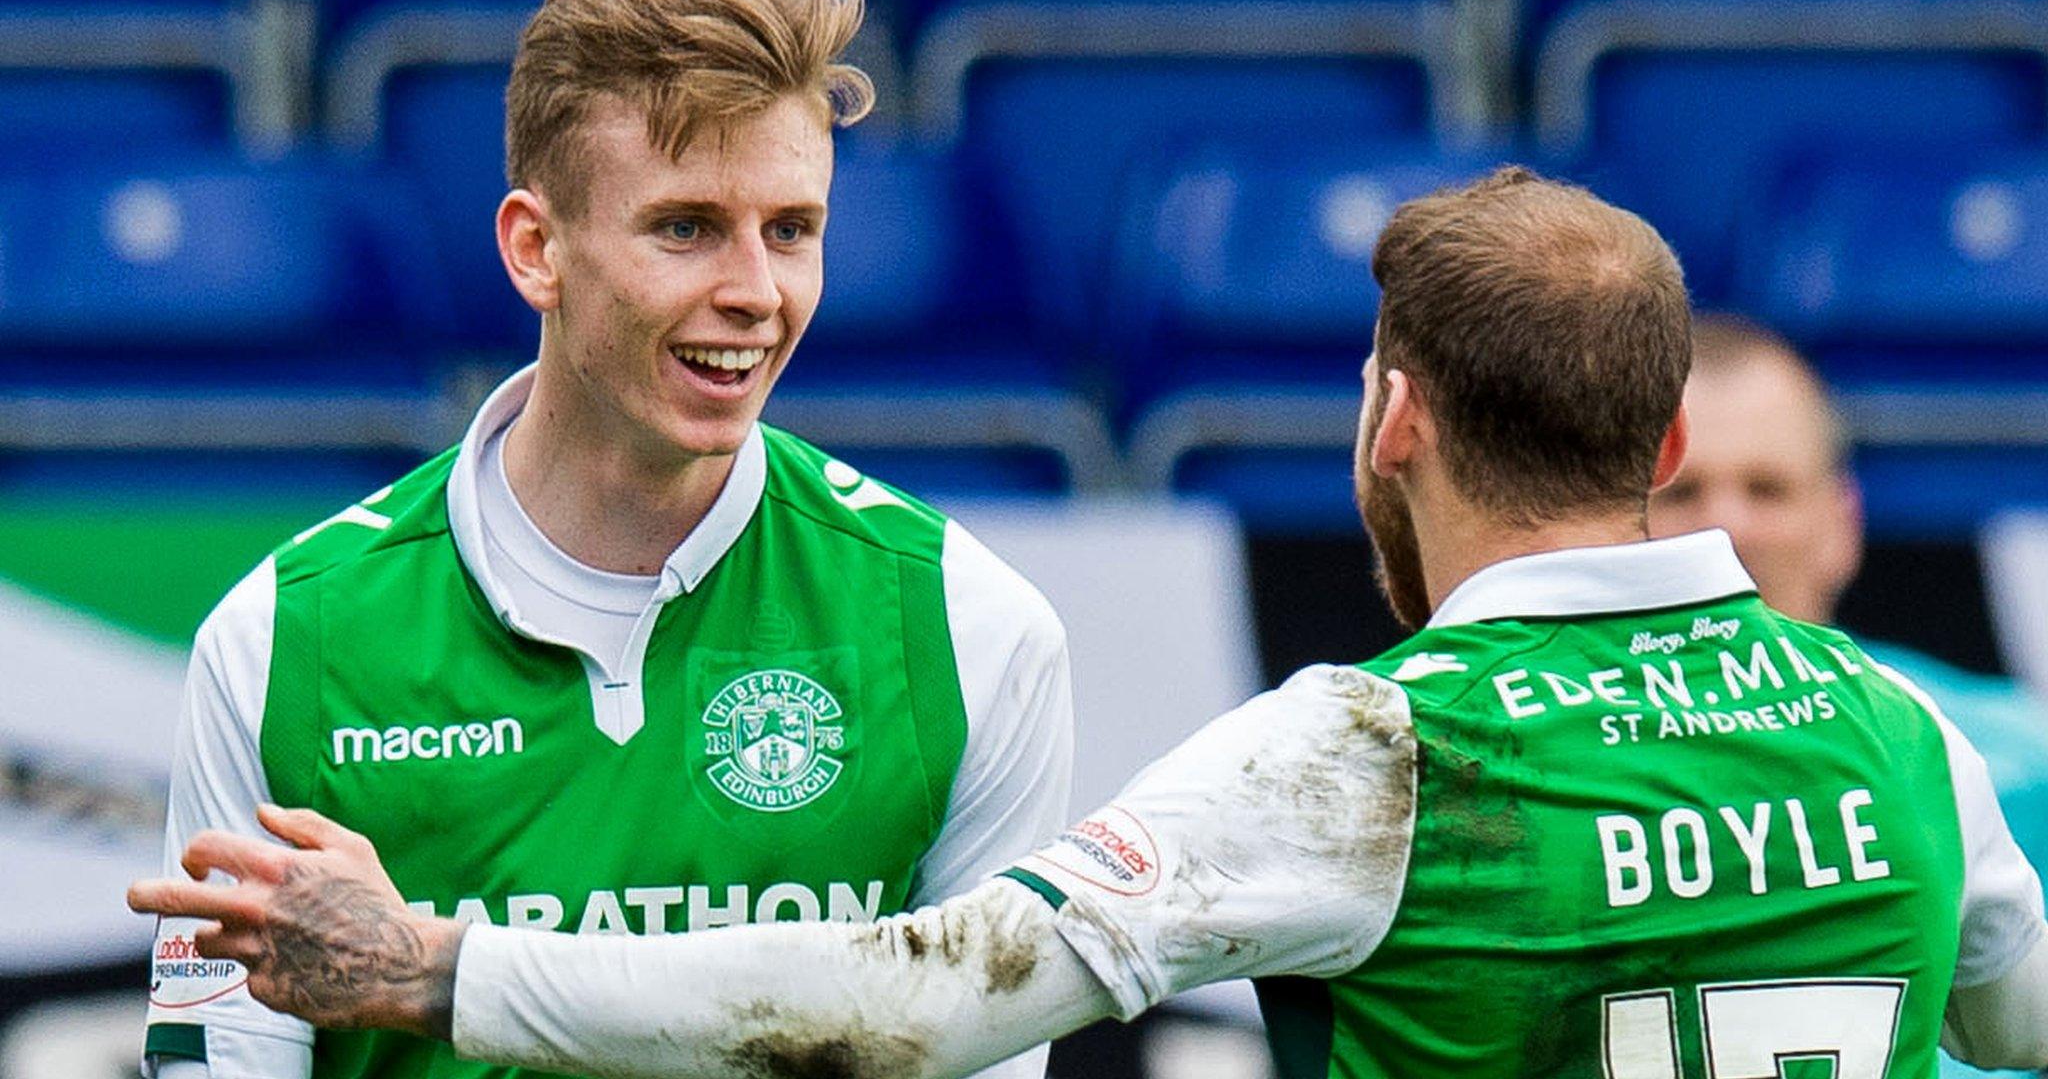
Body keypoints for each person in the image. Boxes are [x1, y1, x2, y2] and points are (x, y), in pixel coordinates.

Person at [132, 168, 2048, 1076]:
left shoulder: (1380, 750)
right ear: (1659, 440)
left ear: (1391, 418)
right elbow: (2013, 1014)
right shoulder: (1900, 736)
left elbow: (912, 997)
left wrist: (441, 970)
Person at [139, 0, 1073, 1079]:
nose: (753, 293)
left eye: (790, 229)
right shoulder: (284, 641)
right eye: (684, 227)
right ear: (537, 249)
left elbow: (973, 1053)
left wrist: (441, 973)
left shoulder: (968, 629)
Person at [1647, 313, 2048, 1079]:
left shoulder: (2021, 758)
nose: (1726, 525)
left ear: (1842, 524)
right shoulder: (1537, 753)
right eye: (1682, 490)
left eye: (1767, 489)